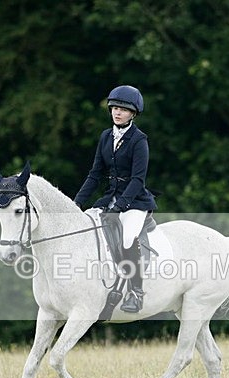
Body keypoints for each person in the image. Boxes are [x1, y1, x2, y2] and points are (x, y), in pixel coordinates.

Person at [74, 85, 157, 313]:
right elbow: (95, 174)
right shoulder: (105, 136)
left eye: (123, 109)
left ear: (133, 113)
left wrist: (120, 207)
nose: (117, 112)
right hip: (110, 198)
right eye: (114, 108)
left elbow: (138, 180)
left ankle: (136, 292)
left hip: (135, 201)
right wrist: (77, 203)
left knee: (128, 237)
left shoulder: (139, 140)